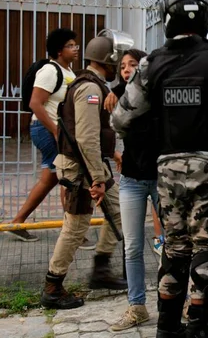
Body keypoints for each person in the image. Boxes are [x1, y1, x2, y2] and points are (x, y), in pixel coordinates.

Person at [111, 0, 208, 338]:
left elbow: (121, 120)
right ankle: (198, 329)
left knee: (175, 248)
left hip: (169, 169)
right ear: (206, 16)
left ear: (166, 18)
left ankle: (166, 328)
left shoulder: (151, 65)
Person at [40, 31, 132, 310]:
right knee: (76, 225)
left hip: (92, 165)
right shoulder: (91, 89)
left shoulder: (92, 83)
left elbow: (94, 135)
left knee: (118, 211)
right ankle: (53, 286)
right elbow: (86, 138)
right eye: (118, 60)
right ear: (109, 60)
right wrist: (97, 178)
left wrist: (111, 155)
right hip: (81, 169)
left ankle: (101, 270)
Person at [11, 28, 94, 249]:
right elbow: (35, 104)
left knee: (50, 178)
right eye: (70, 45)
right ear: (59, 50)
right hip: (46, 130)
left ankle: (17, 222)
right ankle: (73, 233)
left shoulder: (67, 71)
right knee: (67, 174)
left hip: (55, 131)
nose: (76, 48)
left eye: (76, 45)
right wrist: (57, 131)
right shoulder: (50, 71)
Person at [103, 49, 164, 331]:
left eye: (132, 65)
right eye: (122, 66)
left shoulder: (158, 93)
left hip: (163, 178)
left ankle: (183, 299)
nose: (126, 69)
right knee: (132, 248)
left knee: (174, 245)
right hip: (131, 179)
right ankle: (137, 306)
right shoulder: (115, 95)